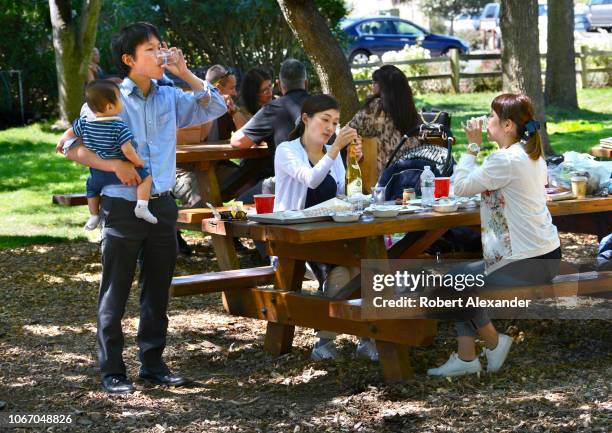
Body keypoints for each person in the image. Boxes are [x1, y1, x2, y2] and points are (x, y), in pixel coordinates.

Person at [59, 22, 227, 394]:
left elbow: (214, 105)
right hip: (121, 206)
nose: (160, 53)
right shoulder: (109, 97)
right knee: (115, 291)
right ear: (128, 59)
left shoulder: (170, 94)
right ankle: (113, 371)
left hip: (163, 206)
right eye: (150, 49)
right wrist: (114, 165)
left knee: (157, 292)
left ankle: (153, 365)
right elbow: (68, 146)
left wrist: (185, 73)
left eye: (160, 46)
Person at [427, 93, 561, 377]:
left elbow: (460, 186)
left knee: (454, 282)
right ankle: (468, 357)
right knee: (459, 277)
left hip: (527, 261)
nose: (486, 121)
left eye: (491, 117)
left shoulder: (505, 160)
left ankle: (493, 342)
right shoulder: (528, 153)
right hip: (545, 255)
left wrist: (473, 145)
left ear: (508, 125)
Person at [274, 94, 378, 362]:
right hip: (295, 239)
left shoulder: (334, 157)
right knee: (343, 272)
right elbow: (310, 180)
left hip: (333, 234)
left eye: (334, 122)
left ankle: (367, 339)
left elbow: (344, 197)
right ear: (306, 119)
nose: (330, 128)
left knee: (367, 266)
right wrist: (335, 150)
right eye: (325, 120)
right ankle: (324, 343)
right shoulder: (287, 151)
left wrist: (354, 161)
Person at [57, 79, 157, 230]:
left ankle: (93, 215)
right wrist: (138, 162)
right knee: (146, 179)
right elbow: (127, 150)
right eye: (119, 99)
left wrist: (61, 142)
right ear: (110, 106)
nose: (122, 102)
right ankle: (142, 207)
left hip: (98, 172)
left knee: (91, 188)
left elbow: (70, 132)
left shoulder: (84, 123)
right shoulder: (118, 126)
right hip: (123, 171)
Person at [230, 58, 311, 202]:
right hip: (326, 180)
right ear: (306, 83)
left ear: (279, 85)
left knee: (239, 206)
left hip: (289, 184)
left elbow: (237, 142)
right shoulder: (324, 106)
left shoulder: (273, 109)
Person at [348, 65, 420, 174]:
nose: (372, 87)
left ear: (381, 86)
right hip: (412, 171)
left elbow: (350, 130)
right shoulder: (409, 107)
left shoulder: (376, 107)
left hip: (387, 175)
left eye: (374, 82)